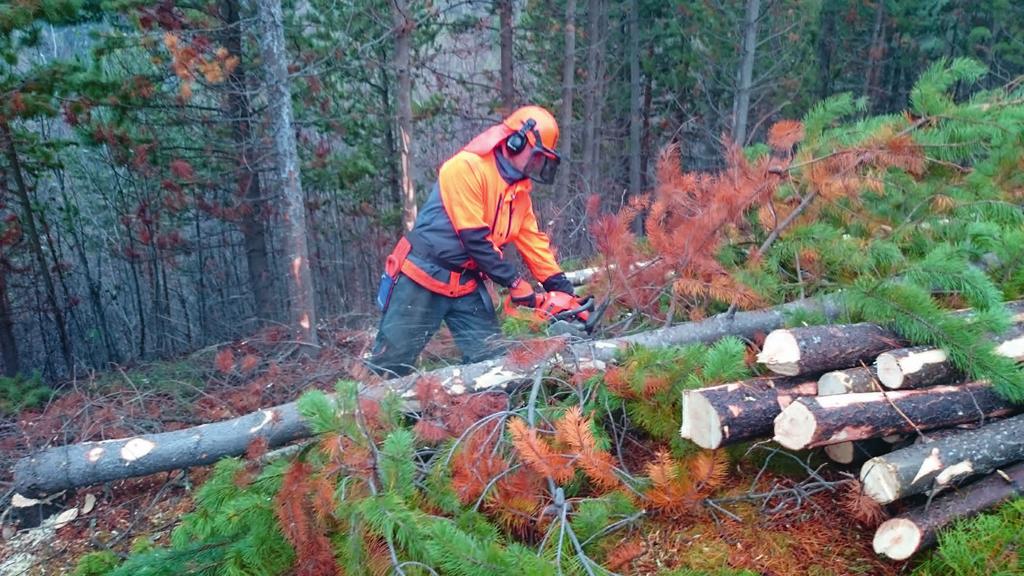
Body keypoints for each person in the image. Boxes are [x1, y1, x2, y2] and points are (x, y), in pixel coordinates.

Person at [367, 105, 582, 377]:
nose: (538, 165)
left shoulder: (519, 194)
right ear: (515, 141)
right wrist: (515, 282)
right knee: (390, 366)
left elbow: (533, 242)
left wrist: (561, 288)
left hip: (466, 282)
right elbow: (474, 238)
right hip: (421, 276)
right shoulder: (465, 168)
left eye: (543, 160)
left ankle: (482, 414)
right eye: (536, 157)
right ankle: (373, 415)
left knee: (491, 361)